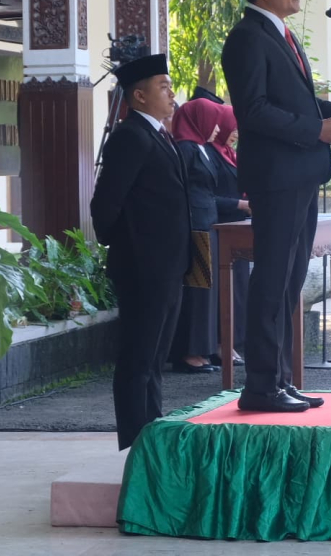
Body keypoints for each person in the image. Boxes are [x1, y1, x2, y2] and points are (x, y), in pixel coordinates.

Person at [221, 0, 331, 413]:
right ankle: (260, 387)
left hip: (301, 174)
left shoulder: (282, 35)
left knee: (288, 282)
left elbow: (305, 104)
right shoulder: (247, 38)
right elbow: (255, 111)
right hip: (277, 177)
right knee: (272, 279)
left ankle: (280, 380)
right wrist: (315, 130)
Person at [89, 54, 191, 450]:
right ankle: (134, 443)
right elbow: (105, 205)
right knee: (138, 358)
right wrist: (131, 247)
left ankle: (153, 435)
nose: (171, 94)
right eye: (163, 87)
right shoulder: (130, 136)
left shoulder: (159, 135)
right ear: (140, 95)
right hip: (144, 267)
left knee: (155, 359)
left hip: (168, 265)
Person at [168, 98, 247, 374]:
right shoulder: (186, 149)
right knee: (198, 289)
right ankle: (190, 352)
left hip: (208, 222)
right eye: (212, 121)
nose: (216, 128)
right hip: (196, 224)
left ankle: (203, 348)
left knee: (207, 290)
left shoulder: (199, 148)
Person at [213, 114, 253, 360]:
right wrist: (241, 204)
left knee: (239, 288)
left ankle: (236, 340)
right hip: (222, 226)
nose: (236, 133)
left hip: (238, 226)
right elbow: (208, 195)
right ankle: (223, 343)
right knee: (226, 289)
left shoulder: (229, 153)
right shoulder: (211, 153)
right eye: (232, 128)